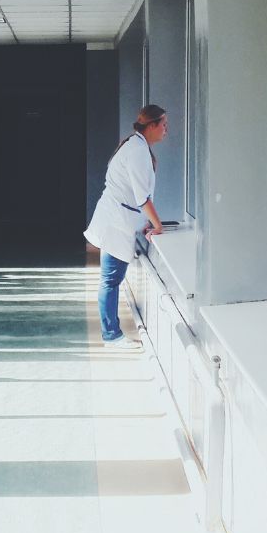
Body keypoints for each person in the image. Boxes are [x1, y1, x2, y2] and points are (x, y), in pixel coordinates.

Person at [85, 104, 169, 351]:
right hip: (115, 223)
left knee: (111, 279)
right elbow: (142, 197)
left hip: (118, 219)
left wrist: (147, 223)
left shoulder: (136, 145)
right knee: (110, 280)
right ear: (151, 126)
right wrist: (158, 226)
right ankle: (111, 335)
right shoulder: (138, 151)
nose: (166, 130)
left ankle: (111, 333)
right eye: (164, 125)